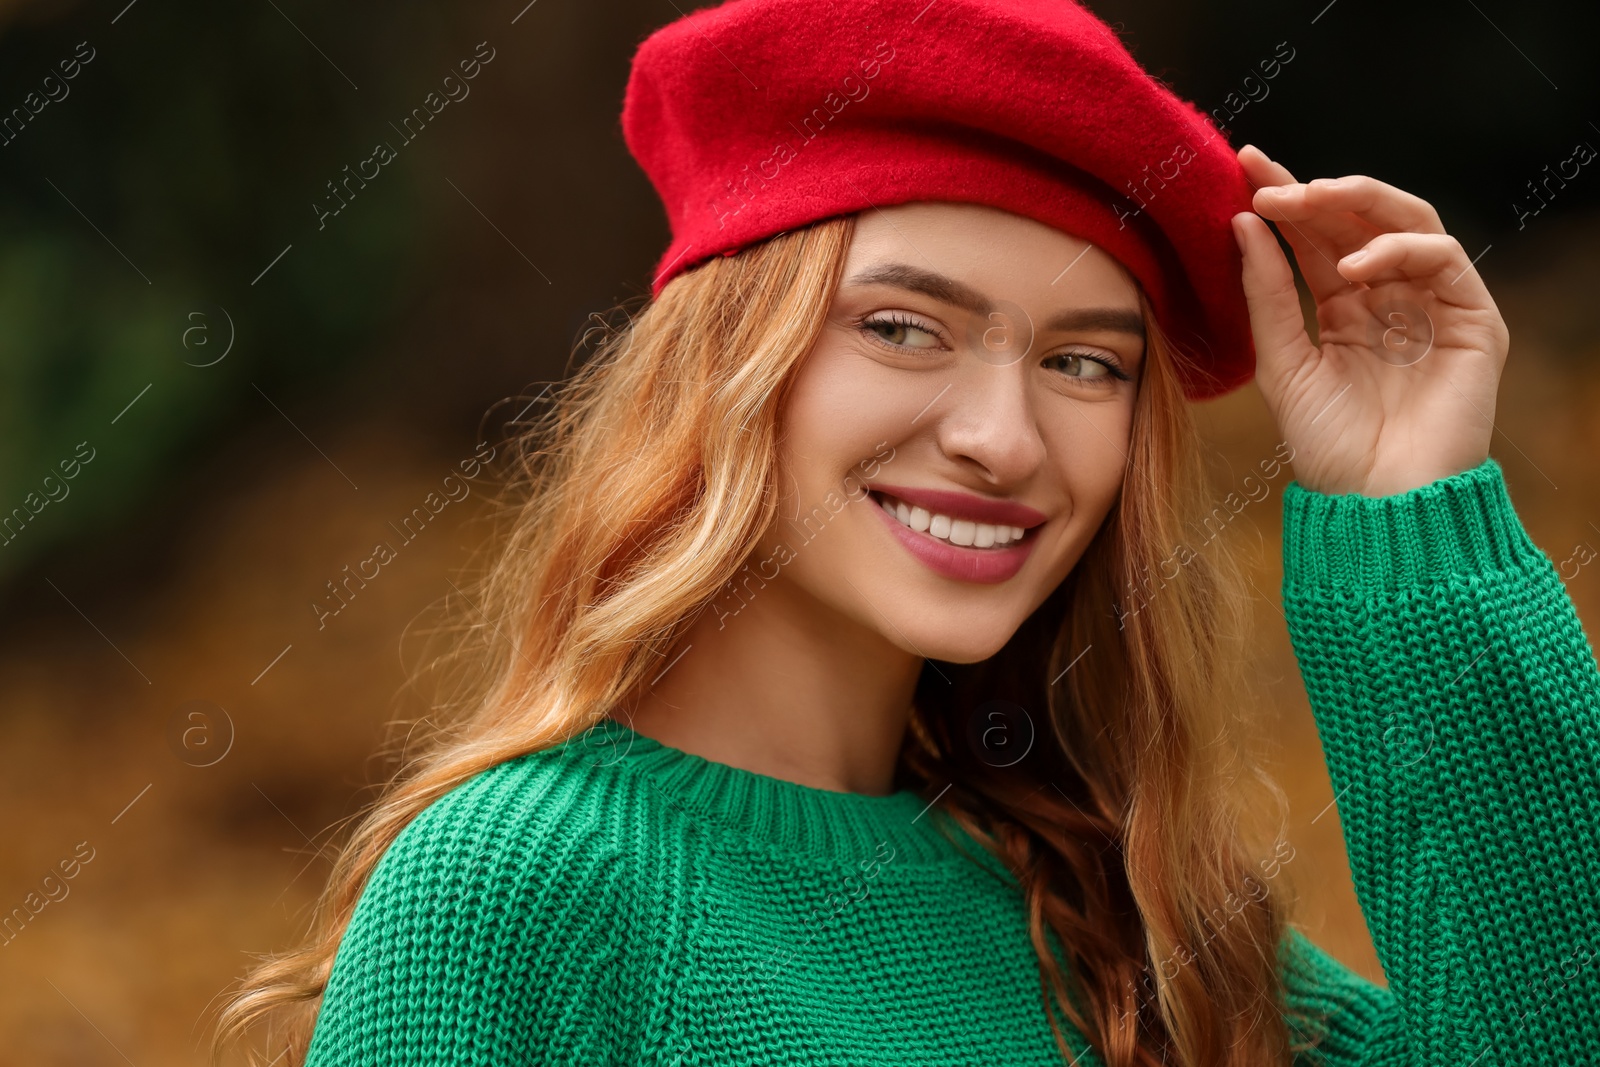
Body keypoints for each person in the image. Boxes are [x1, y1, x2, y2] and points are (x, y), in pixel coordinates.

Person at [212, 0, 1600, 1064]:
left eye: (1084, 362)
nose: (1004, 437)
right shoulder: (518, 885)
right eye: (901, 327)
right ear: (728, 368)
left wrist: (1413, 517)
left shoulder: (1118, 921)